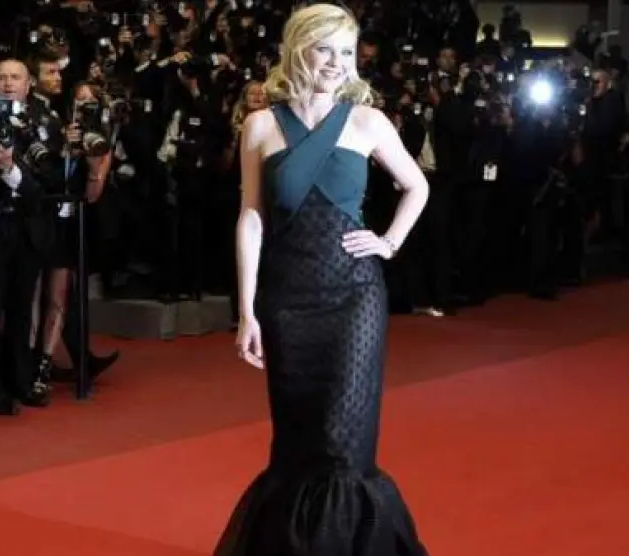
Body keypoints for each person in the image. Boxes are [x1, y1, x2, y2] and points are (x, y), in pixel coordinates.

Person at [217, 4, 430, 555]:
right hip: (286, 301)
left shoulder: (367, 121)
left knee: (344, 448)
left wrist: (389, 242)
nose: (337, 63)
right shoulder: (260, 125)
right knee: (297, 444)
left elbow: (417, 186)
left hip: (353, 297)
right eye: (325, 49)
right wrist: (247, 310)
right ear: (298, 51)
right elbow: (251, 217)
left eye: (346, 52)